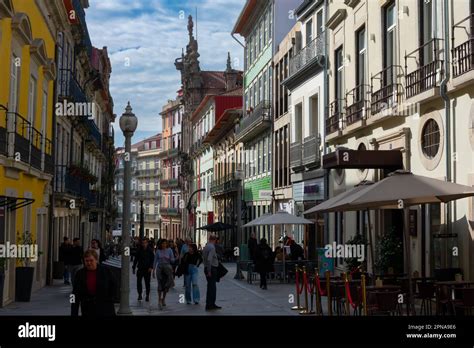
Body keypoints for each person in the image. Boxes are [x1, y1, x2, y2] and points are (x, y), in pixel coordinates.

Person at [71, 249, 117, 316]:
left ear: (96, 260)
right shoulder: (80, 274)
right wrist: (73, 311)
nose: (89, 263)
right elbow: (74, 294)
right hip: (88, 309)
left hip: (105, 308)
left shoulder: (105, 271)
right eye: (86, 261)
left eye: (91, 260)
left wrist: (110, 299)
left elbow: (114, 285)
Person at [153, 239, 175, 310]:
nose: (164, 245)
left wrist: (171, 258)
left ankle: (163, 298)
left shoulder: (170, 250)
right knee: (160, 284)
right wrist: (153, 270)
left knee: (166, 285)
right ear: (161, 244)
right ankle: (159, 299)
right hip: (159, 268)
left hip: (167, 267)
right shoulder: (158, 251)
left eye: (165, 243)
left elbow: (173, 260)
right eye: (163, 243)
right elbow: (155, 261)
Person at [202, 235, 221, 311]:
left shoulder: (206, 247)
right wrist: (209, 270)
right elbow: (209, 259)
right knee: (212, 287)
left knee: (210, 287)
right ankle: (211, 304)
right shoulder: (212, 247)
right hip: (212, 269)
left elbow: (204, 258)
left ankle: (209, 303)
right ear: (214, 240)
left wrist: (206, 268)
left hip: (206, 267)